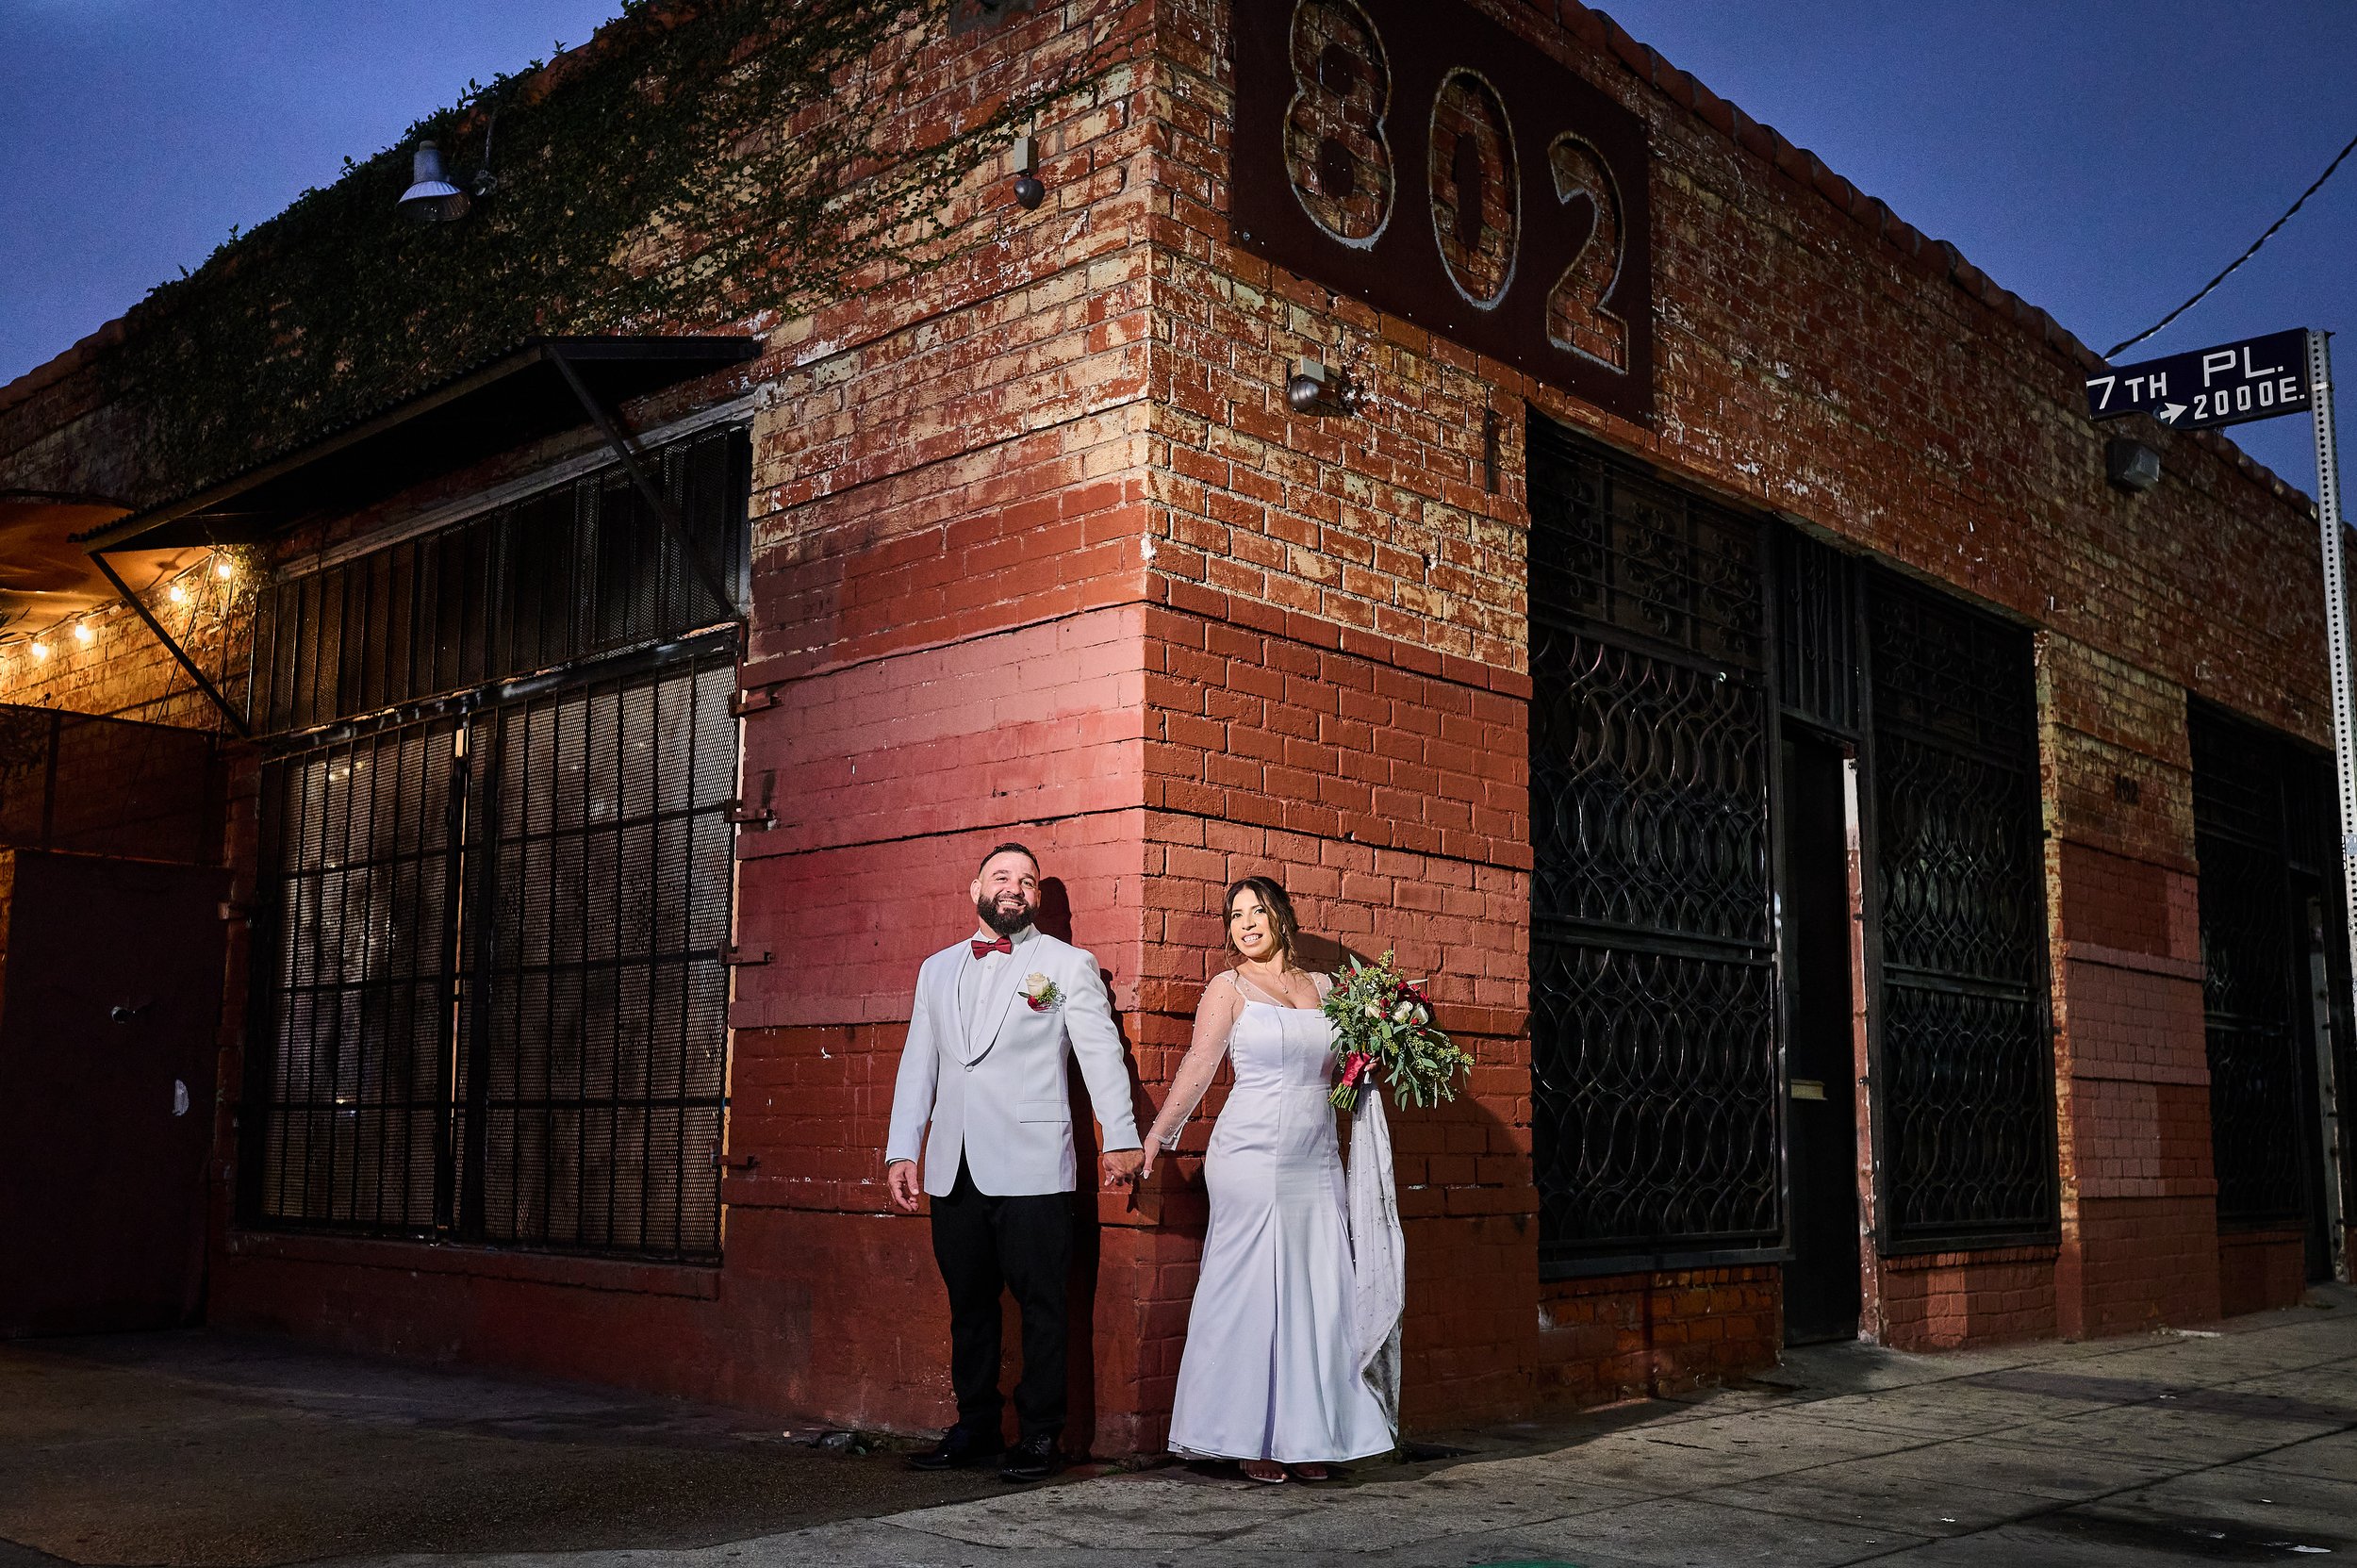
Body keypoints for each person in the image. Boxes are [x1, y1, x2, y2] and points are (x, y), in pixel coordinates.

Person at [884, 842, 1145, 1482]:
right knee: (968, 1303)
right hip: (954, 1165)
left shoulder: (1066, 964)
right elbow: (920, 1061)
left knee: (1042, 1304)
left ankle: (1039, 1435)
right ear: (974, 887)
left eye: (1027, 880)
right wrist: (902, 1147)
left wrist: (1120, 1136)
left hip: (1032, 1165)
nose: (1015, 887)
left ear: (1036, 898)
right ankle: (975, 1425)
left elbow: (1100, 1054)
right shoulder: (936, 969)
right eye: (1002, 876)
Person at [1141, 875, 1403, 1483]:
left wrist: (1389, 1045)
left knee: (1319, 1291)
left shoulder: (1331, 988)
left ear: (1282, 917)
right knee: (1252, 1290)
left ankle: (1310, 1436)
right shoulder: (1227, 988)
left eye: (1257, 911)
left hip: (1314, 1159)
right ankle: (1247, 1433)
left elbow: (1350, 1069)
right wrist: (1160, 1134)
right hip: (1249, 1154)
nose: (1247, 924)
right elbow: (1200, 1065)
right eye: (1235, 917)